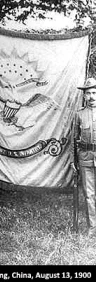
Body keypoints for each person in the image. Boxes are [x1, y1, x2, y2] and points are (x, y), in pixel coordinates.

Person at [72, 77, 96, 237]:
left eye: (94, 92)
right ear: (84, 96)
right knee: (89, 194)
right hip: (85, 157)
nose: (92, 97)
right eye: (88, 93)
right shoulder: (79, 114)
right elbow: (74, 140)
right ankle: (92, 227)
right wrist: (73, 161)